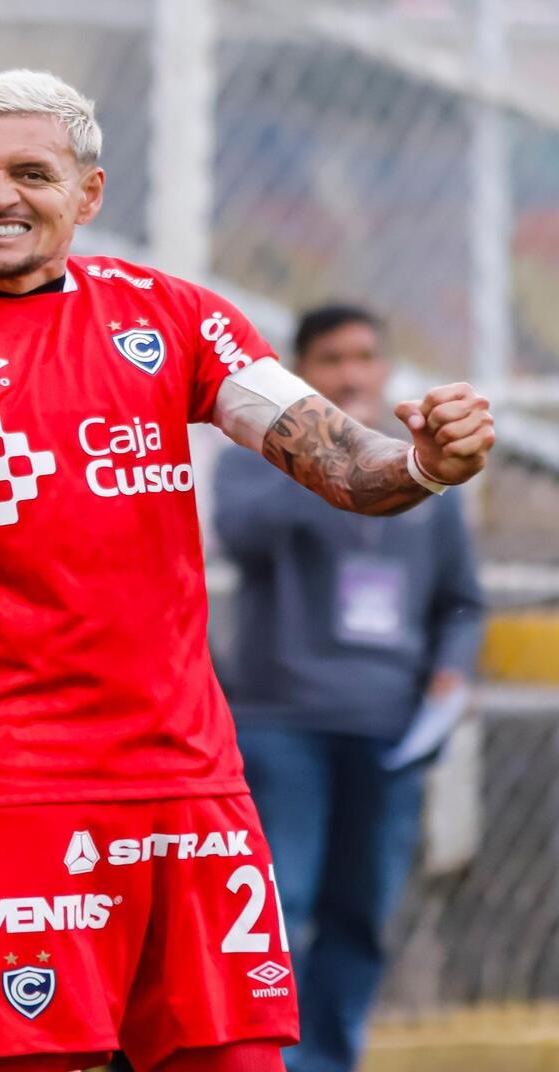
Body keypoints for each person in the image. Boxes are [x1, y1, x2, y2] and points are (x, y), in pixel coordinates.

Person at [0, 69, 495, 1072]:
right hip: (14, 784)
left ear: (87, 193)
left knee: (235, 1058)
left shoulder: (167, 315)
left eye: (28, 172)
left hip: (190, 778)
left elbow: (350, 465)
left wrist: (430, 460)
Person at [212, 304, 485, 1072]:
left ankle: (327, 1060)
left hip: (392, 730)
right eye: (330, 361)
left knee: (361, 914)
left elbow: (461, 601)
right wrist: (331, 464)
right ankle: (268, 1061)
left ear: (386, 368)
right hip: (280, 726)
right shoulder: (254, 459)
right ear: (300, 376)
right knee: (278, 908)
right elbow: (242, 535)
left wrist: (451, 675)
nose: (351, 374)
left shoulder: (425, 475)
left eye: (364, 357)